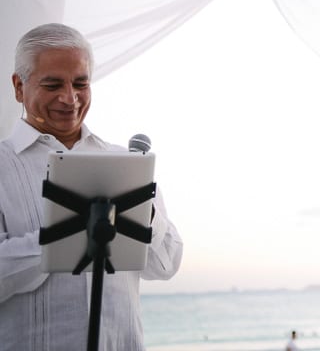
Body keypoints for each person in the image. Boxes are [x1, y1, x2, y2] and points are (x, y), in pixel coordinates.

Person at [0, 23, 184, 350]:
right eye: (52, 84)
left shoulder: (126, 163)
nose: (69, 98)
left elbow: (166, 264)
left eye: (81, 83)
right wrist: (66, 236)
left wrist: (143, 211)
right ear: (18, 86)